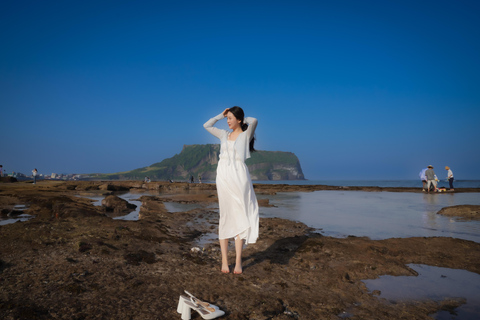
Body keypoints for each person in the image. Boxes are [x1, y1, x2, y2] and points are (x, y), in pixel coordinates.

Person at [203, 106, 259, 274]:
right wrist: (222, 114)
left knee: (240, 216)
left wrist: (242, 119)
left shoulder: (245, 134)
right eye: (227, 119)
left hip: (240, 177)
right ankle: (225, 262)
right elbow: (207, 125)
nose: (227, 121)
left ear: (239, 120)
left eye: (230, 119)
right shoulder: (223, 135)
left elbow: (254, 120)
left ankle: (238, 262)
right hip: (223, 177)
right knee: (226, 215)